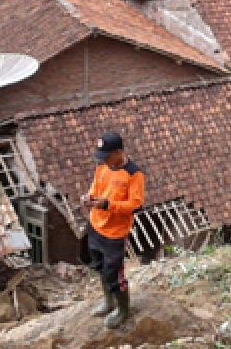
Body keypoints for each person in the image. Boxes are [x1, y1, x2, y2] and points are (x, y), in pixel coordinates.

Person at [80, 130, 146, 328]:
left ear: (118, 152)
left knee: (114, 273)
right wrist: (89, 197)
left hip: (115, 233)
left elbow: (135, 205)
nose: (104, 161)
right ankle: (108, 302)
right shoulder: (103, 168)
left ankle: (122, 309)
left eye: (107, 156)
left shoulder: (134, 174)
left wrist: (108, 205)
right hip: (96, 225)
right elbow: (96, 187)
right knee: (99, 266)